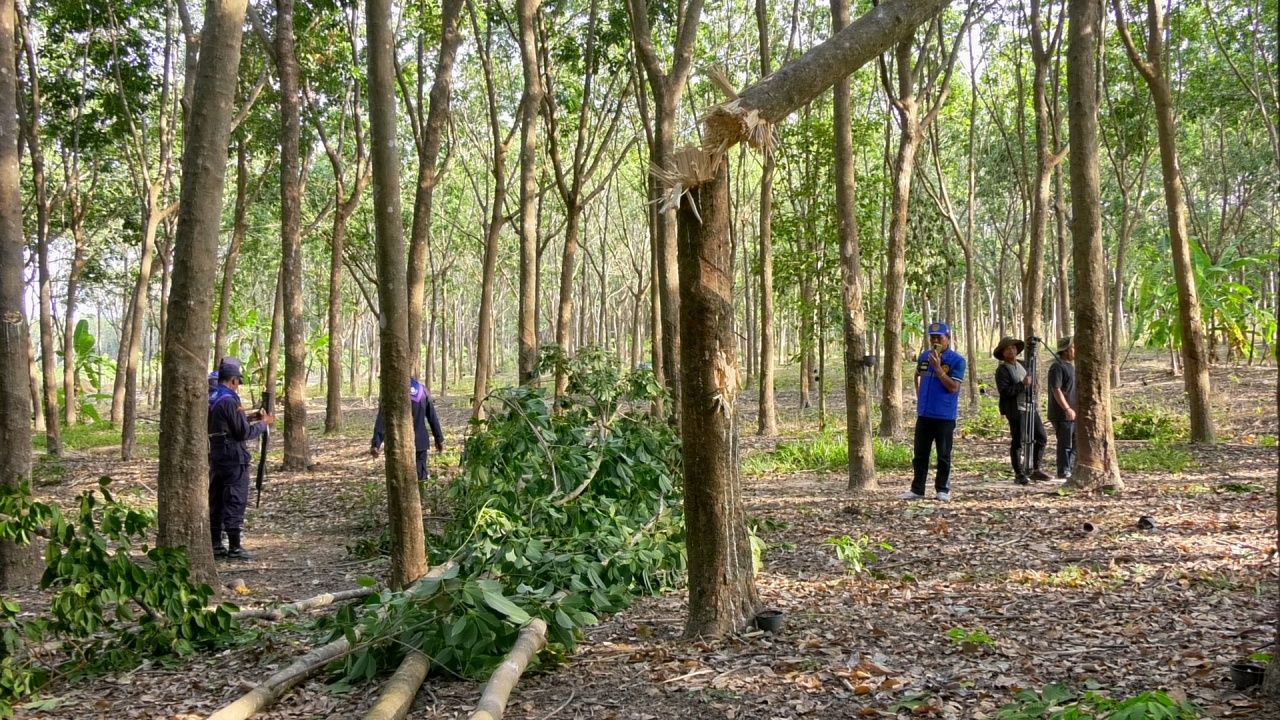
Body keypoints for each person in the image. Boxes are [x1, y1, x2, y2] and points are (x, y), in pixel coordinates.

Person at [208, 357, 273, 560]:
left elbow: (229, 422)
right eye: (238, 382)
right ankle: (235, 547)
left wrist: (251, 417)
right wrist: (264, 424)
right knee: (235, 498)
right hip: (234, 457)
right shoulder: (230, 400)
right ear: (234, 380)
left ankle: (216, 544)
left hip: (216, 454)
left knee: (217, 499)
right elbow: (243, 433)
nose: (238, 386)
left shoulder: (213, 397)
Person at [902, 321, 966, 502]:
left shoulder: (957, 361)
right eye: (932, 338)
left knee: (943, 454)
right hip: (924, 414)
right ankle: (917, 489)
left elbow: (953, 387)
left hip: (944, 416)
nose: (936, 341)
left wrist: (939, 369)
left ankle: (942, 489)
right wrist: (919, 396)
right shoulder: (924, 357)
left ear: (948, 338)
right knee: (920, 455)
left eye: (939, 337)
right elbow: (917, 376)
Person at [993, 337, 1051, 485]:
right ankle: (1019, 473)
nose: (1011, 350)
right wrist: (1023, 385)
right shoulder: (1002, 370)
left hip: (1030, 406)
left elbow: (1032, 381)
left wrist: (1033, 385)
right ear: (1002, 353)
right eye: (1007, 349)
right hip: (1015, 409)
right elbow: (1005, 391)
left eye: (1013, 347)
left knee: (1041, 437)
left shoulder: (1023, 364)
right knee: (1018, 440)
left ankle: (1035, 469)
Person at [371, 377, 445, 481]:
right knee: (420, 476)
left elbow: (382, 419)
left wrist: (376, 444)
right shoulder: (422, 390)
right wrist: (439, 439)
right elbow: (432, 417)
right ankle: (421, 490)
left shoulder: (392, 392)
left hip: (398, 443)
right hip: (420, 442)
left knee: (399, 478)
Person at [1046, 336, 1077, 479]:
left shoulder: (1071, 367)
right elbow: (1056, 389)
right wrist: (1066, 409)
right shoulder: (1057, 367)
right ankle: (1063, 470)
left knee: (1075, 442)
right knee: (1065, 443)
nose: (1075, 350)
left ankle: (1071, 468)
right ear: (1065, 351)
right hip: (1062, 413)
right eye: (1073, 348)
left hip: (1074, 411)